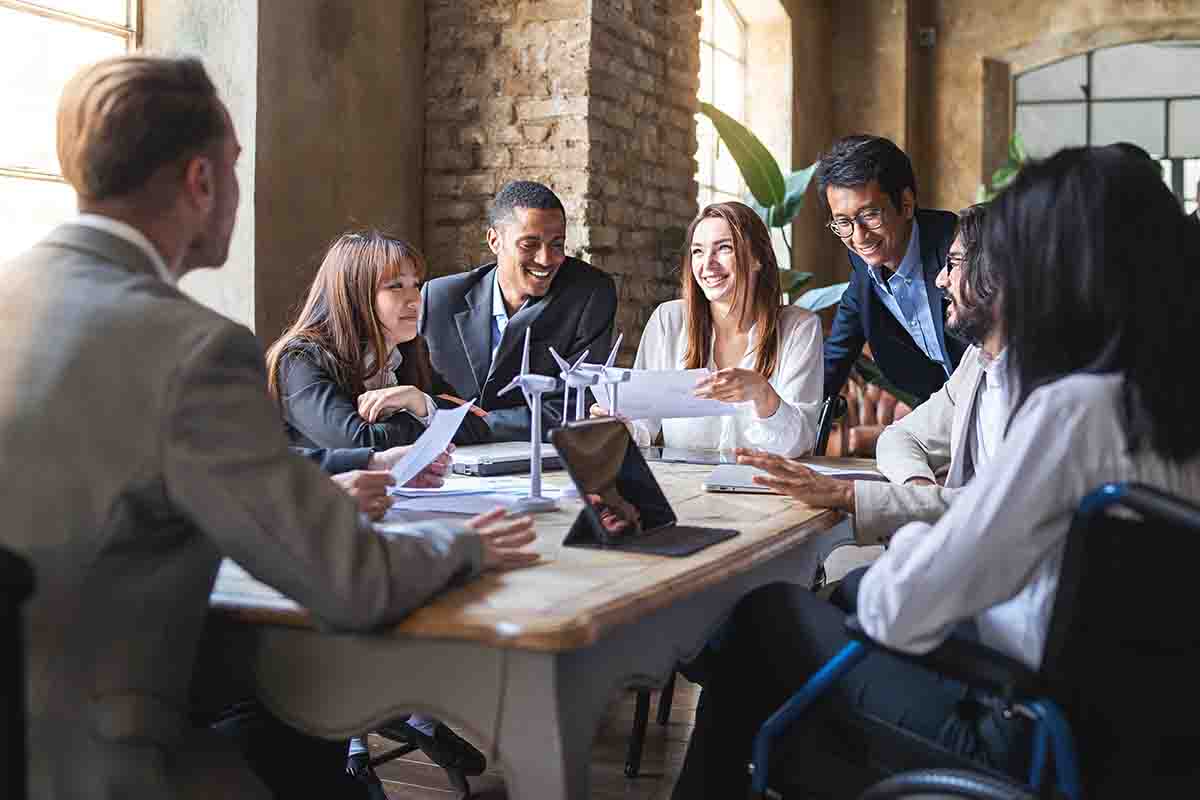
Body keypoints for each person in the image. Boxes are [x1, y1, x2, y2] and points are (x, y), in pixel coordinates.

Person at [0, 55, 539, 799]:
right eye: (235, 167)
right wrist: (469, 543)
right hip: (91, 761)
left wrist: (306, 497)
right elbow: (353, 583)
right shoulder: (193, 349)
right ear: (201, 181)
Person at [670, 146, 1200, 798]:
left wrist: (925, 533)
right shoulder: (1168, 402)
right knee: (801, 712)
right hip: (1137, 742)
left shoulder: (1076, 409)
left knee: (767, 620)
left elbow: (902, 609)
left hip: (1025, 727)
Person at [740, 203, 1005, 545]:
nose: (941, 279)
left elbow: (995, 510)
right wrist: (918, 490)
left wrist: (846, 495)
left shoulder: (1049, 391)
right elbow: (899, 437)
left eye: (952, 264)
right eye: (842, 222)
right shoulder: (977, 363)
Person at [595, 201, 823, 456]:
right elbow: (642, 428)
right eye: (698, 252)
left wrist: (762, 394)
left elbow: (799, 444)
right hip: (683, 490)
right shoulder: (668, 321)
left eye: (724, 248)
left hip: (766, 492)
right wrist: (618, 424)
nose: (707, 264)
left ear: (758, 258)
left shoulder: (799, 328)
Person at [420, 181, 618, 441]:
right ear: (494, 240)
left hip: (540, 462)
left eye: (557, 244)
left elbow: (577, 404)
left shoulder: (590, 293)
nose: (547, 259)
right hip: (442, 460)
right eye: (529, 245)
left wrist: (471, 425)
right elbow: (417, 390)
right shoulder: (438, 298)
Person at [266, 230, 491, 450]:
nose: (415, 300)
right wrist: (423, 416)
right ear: (354, 293)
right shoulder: (299, 359)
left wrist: (420, 402)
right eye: (396, 286)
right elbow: (359, 443)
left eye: (416, 285)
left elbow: (479, 428)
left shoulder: (407, 352)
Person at [820, 135, 968, 404]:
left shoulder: (958, 250)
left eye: (870, 215)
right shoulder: (865, 272)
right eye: (843, 222)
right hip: (943, 410)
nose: (859, 237)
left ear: (907, 204)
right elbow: (834, 360)